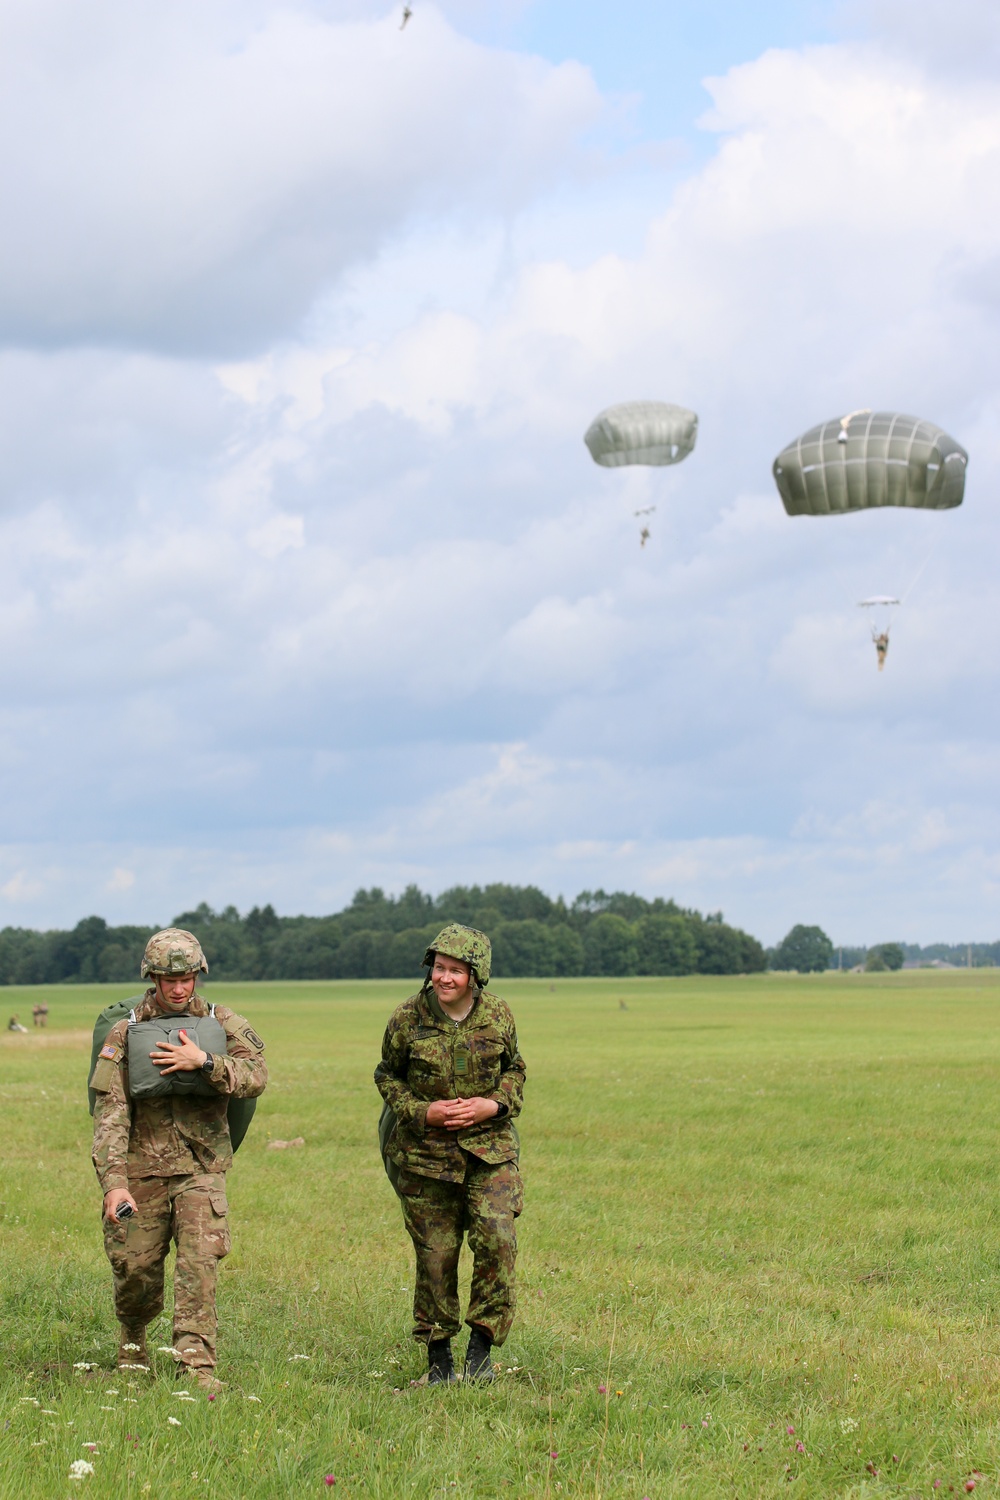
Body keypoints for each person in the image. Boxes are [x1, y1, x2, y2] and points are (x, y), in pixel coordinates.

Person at [89, 928, 267, 1391]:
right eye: (168, 979)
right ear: (152, 977)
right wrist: (114, 1184)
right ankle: (133, 1342)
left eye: (186, 977)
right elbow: (110, 1112)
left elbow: (255, 1076)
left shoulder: (222, 1021)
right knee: (135, 1272)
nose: (178, 988)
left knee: (200, 1262)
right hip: (141, 1171)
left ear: (198, 975)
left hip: (200, 1168)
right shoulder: (125, 1030)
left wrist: (204, 1061)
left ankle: (196, 1367)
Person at [375, 924, 525, 1385]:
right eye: (439, 968)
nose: (444, 978)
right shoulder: (407, 1018)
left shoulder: (498, 1014)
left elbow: (515, 1069)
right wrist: (425, 1112)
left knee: (497, 1241)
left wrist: (494, 1104)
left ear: (475, 975)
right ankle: (438, 1360)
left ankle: (480, 1351)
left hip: (490, 1151)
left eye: (455, 971)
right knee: (436, 1255)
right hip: (425, 1158)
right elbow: (387, 1076)